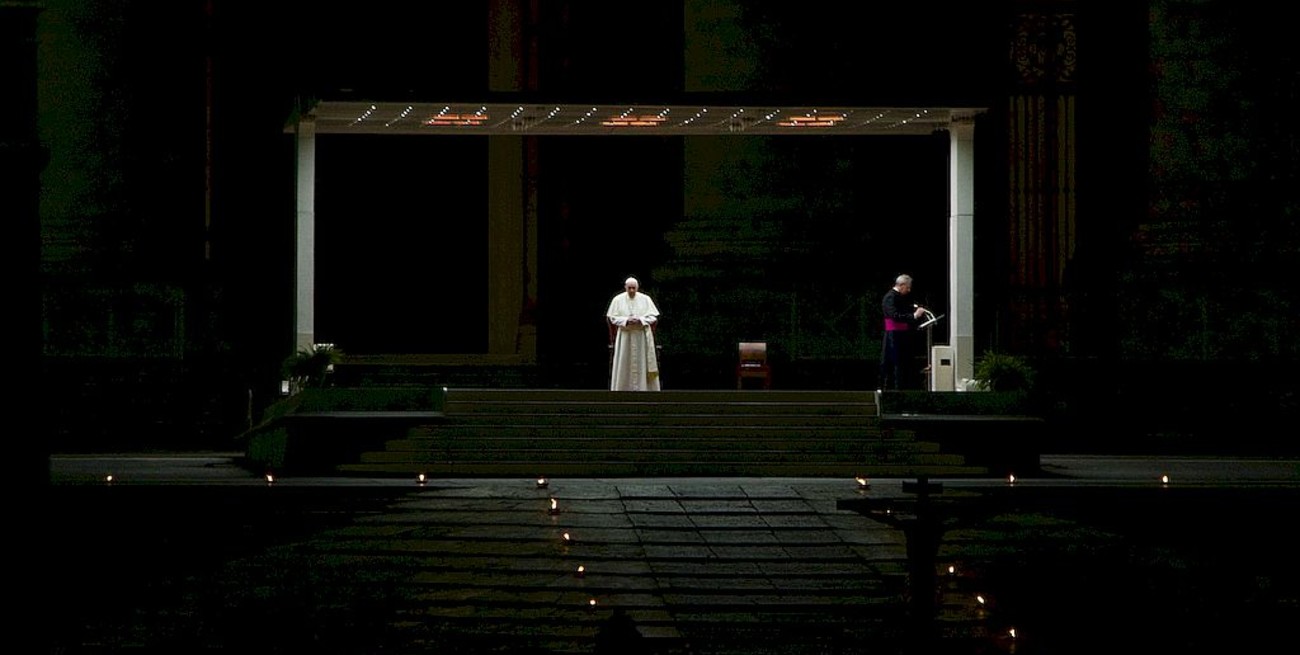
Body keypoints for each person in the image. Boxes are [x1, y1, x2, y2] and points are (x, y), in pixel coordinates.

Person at [606, 276, 660, 391]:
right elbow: (612, 318)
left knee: (642, 364)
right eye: (629, 288)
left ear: (637, 288)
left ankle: (643, 389)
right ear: (625, 287)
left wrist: (641, 320)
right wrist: (626, 320)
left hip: (641, 337)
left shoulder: (646, 299)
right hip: (625, 337)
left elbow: (653, 317)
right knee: (623, 364)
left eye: (634, 288)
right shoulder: (617, 300)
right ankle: (622, 390)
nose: (631, 291)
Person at [879, 274, 927, 390]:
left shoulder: (898, 297)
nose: (909, 290)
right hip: (894, 336)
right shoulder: (890, 297)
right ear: (902, 285)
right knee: (895, 364)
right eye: (908, 287)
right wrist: (914, 315)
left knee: (902, 364)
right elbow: (894, 315)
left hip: (900, 335)